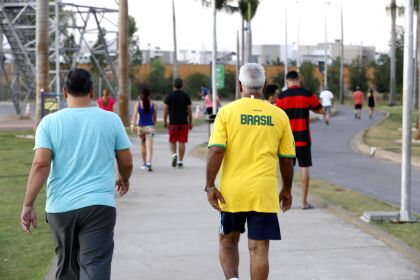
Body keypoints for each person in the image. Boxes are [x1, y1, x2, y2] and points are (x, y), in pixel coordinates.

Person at [20, 68, 133, 280]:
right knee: (95, 266)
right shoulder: (111, 120)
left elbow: (40, 165)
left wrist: (28, 204)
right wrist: (124, 178)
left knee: (67, 267)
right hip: (99, 206)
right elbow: (126, 162)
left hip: (61, 208)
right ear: (92, 91)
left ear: (64, 92)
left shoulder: (49, 123)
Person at [206, 63, 295, 280]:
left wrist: (209, 186)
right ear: (264, 84)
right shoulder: (279, 115)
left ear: (240, 85)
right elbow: (286, 159)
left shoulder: (227, 112)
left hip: (232, 192)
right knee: (259, 249)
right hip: (263, 192)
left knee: (228, 241)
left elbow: (217, 151)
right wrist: (287, 189)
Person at [276, 70, 324, 210]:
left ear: (287, 81)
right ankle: (303, 202)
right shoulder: (308, 94)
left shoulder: (281, 97)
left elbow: (277, 117)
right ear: (299, 80)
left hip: (286, 141)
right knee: (304, 168)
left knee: (285, 170)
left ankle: (284, 201)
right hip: (303, 138)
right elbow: (320, 110)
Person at [164, 78, 193, 168]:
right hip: (184, 122)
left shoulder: (169, 96)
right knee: (182, 141)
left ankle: (174, 155)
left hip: (173, 123)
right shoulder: (186, 96)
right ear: (182, 85)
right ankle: (180, 161)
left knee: (172, 141)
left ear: (173, 85)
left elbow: (165, 110)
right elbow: (189, 110)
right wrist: (190, 121)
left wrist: (165, 121)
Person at [131, 88, 157, 172]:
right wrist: (154, 124)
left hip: (140, 127)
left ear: (141, 95)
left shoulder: (138, 104)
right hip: (150, 127)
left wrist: (132, 125)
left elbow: (134, 116)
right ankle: (149, 162)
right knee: (149, 145)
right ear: (149, 95)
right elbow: (154, 117)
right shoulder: (153, 105)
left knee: (142, 145)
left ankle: (144, 163)